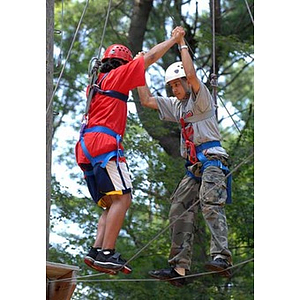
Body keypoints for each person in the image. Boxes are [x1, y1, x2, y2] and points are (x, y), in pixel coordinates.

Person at [75, 28, 185, 275]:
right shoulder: (118, 76)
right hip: (105, 145)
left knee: (112, 202)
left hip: (86, 147)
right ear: (123, 64)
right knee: (123, 198)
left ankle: (95, 251)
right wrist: (174, 40)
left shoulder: (97, 83)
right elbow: (151, 59)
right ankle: (106, 253)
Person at [137, 26, 233, 286]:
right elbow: (146, 100)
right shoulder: (177, 106)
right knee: (179, 208)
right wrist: (138, 69)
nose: (173, 89)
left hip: (212, 161)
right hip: (193, 167)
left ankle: (221, 257)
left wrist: (181, 43)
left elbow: (191, 74)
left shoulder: (201, 99)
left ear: (184, 83)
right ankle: (179, 269)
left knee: (210, 203)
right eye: (170, 86)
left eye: (176, 84)